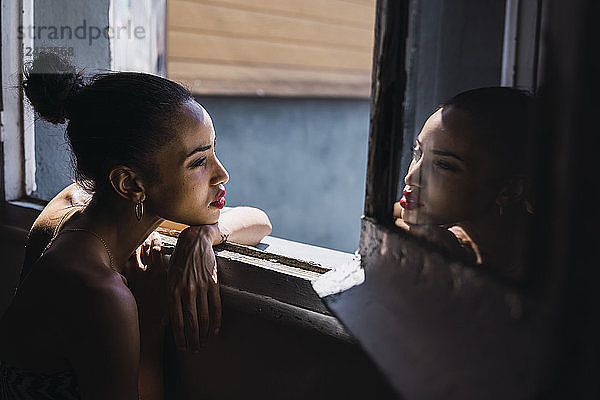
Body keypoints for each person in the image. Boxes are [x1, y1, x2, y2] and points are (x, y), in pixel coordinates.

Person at [0, 52, 272, 400]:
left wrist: (203, 235)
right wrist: (147, 323)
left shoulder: (75, 207)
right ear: (129, 184)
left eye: (213, 151)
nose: (222, 174)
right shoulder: (99, 294)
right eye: (199, 161)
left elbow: (259, 221)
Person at [393, 87, 535, 278]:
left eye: (443, 165)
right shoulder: (446, 241)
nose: (410, 178)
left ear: (509, 190)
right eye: (417, 153)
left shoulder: (541, 277)